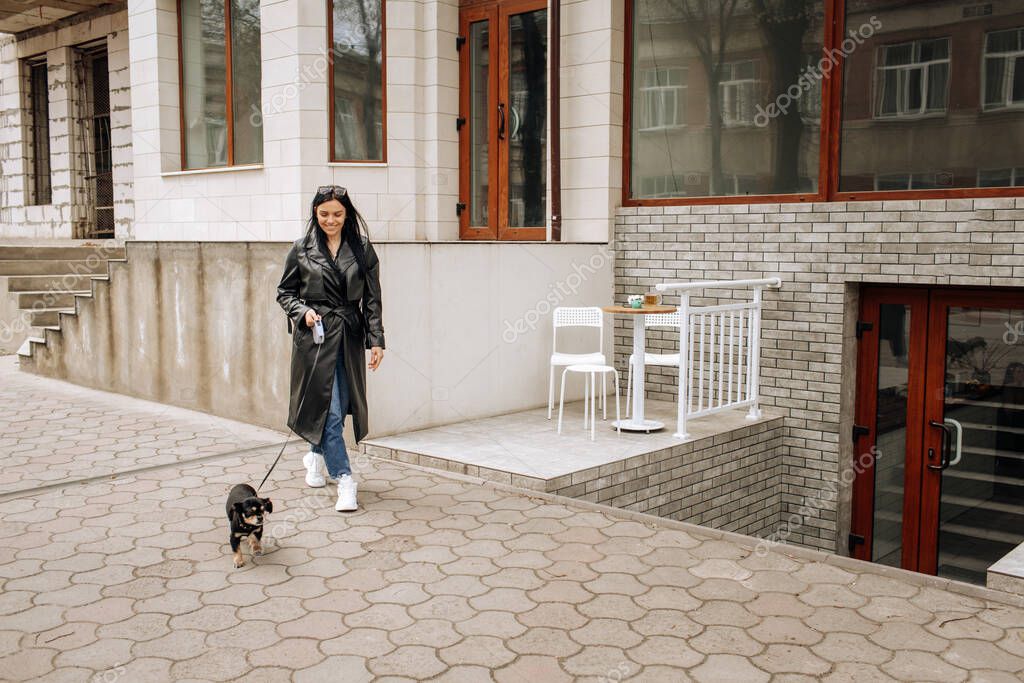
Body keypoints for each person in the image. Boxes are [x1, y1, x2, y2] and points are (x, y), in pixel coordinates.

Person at [276, 185, 385, 512]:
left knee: (338, 406)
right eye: (324, 214)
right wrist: (303, 312)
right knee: (331, 411)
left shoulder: (362, 249)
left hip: (348, 337)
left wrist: (376, 339)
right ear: (315, 213)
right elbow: (284, 293)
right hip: (314, 341)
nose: (330, 220)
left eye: (337, 214)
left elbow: (372, 298)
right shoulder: (301, 249)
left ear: (347, 214)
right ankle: (345, 480)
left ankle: (314, 455)